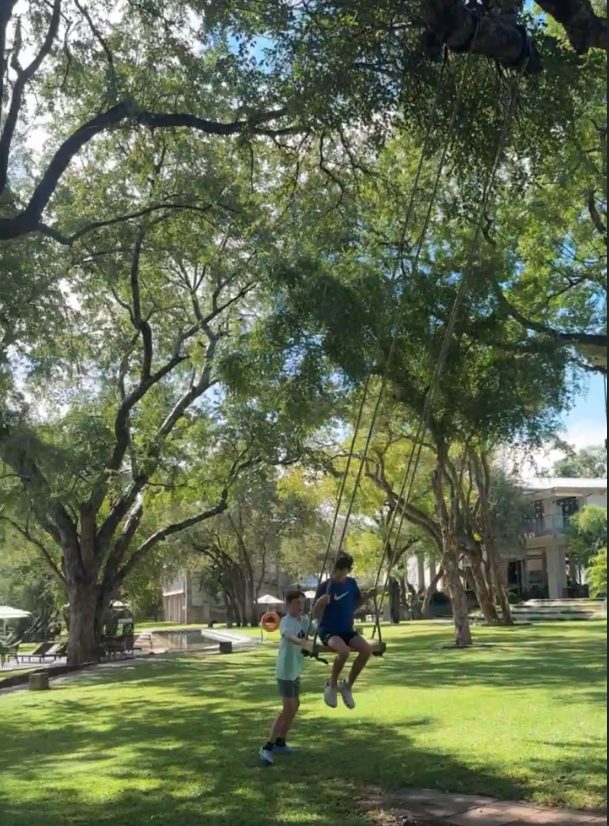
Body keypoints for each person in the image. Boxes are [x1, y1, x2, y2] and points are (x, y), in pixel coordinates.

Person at [313, 553, 373, 710]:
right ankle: (332, 684)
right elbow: (314, 614)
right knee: (344, 651)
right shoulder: (324, 587)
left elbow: (354, 606)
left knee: (366, 650)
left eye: (342, 570)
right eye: (336, 570)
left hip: (347, 629)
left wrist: (367, 597)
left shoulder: (352, 584)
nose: (338, 574)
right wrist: (319, 603)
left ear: (349, 570)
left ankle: (347, 686)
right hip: (328, 630)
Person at [259, 590, 309, 766]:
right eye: (297, 603)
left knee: (295, 706)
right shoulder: (286, 621)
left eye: (302, 602)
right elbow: (289, 636)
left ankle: (281, 743)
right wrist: (301, 642)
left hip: (295, 670)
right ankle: (267, 747)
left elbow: (317, 628)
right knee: (288, 709)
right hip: (285, 671)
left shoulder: (305, 620)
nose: (300, 606)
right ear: (288, 605)